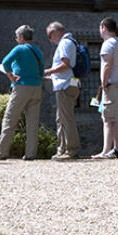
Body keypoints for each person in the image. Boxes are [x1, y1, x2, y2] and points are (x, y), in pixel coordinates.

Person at [0, 25, 44, 160]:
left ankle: (1, 152)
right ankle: (31, 153)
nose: (16, 40)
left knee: (9, 119)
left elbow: (5, 62)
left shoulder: (19, 48)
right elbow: (42, 72)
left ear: (21, 37)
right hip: (37, 87)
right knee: (32, 123)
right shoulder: (38, 51)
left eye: (17, 37)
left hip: (21, 86)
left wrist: (10, 75)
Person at [42, 21, 82, 160]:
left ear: (55, 32)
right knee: (61, 119)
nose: (50, 39)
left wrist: (48, 71)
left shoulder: (65, 43)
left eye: (49, 35)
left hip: (65, 85)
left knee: (66, 118)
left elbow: (65, 65)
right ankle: (63, 148)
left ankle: (71, 150)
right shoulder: (69, 42)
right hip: (65, 83)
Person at [94, 17, 118, 158]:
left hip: (112, 85)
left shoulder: (107, 44)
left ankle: (112, 150)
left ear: (103, 28)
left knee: (110, 119)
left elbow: (107, 64)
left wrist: (103, 83)